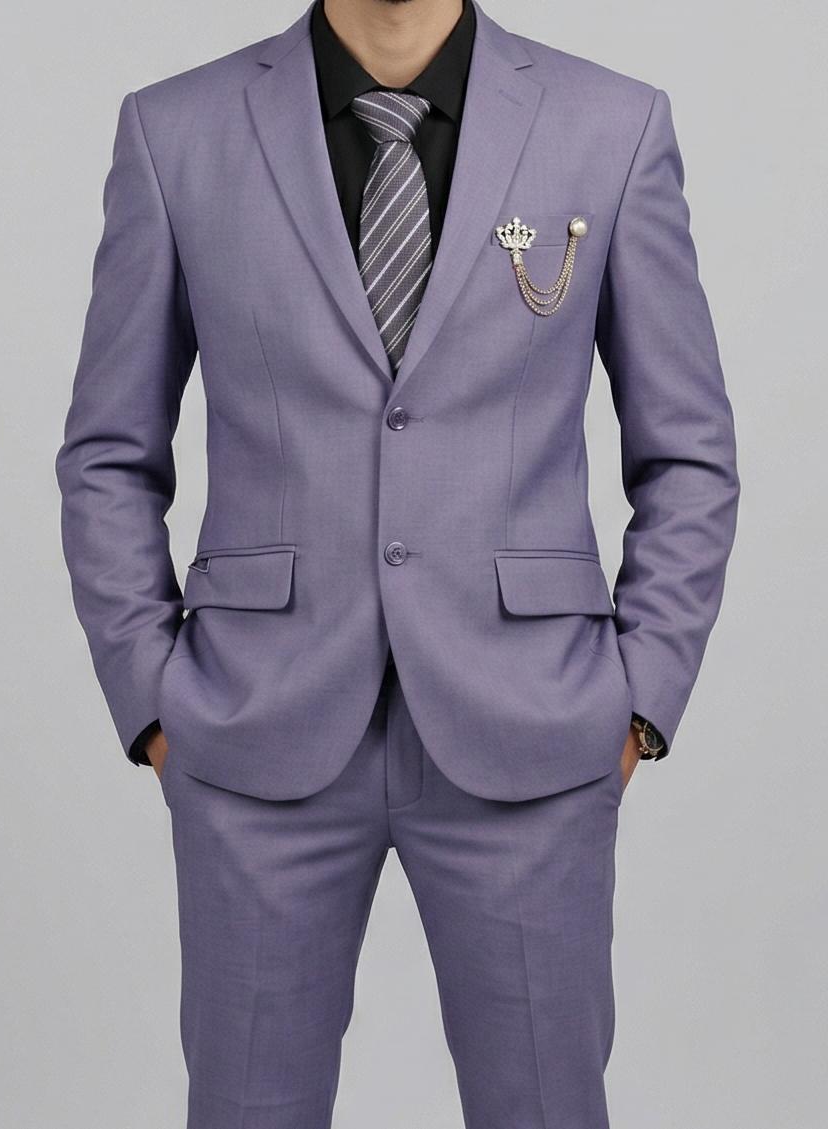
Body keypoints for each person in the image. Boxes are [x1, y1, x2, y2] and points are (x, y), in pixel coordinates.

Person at [55, 1, 740, 1125]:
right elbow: (107, 454)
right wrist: (153, 701)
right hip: (254, 733)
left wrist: (639, 702)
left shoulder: (609, 127)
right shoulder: (175, 133)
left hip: (532, 729)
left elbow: (689, 453)